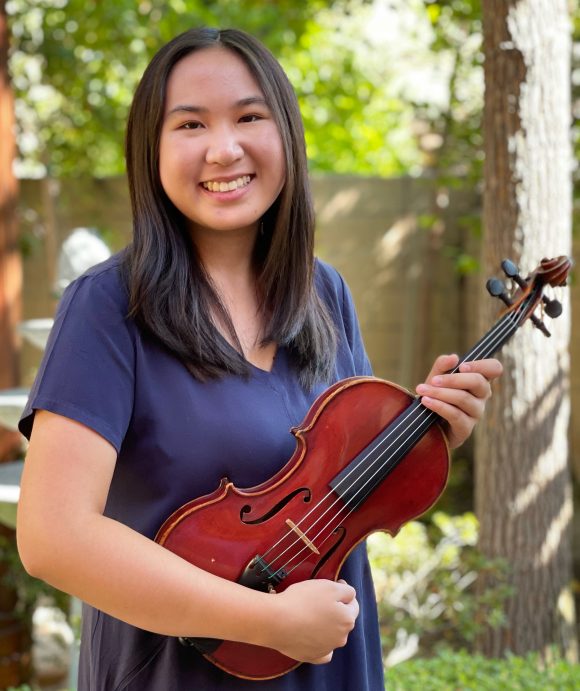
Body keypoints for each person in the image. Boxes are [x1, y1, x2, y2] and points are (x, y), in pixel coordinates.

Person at [16, 27, 502, 691]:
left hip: (328, 666)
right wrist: (267, 622)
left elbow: (340, 500)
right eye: (191, 124)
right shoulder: (107, 305)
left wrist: (431, 430)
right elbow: (53, 538)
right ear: (151, 149)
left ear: (287, 136)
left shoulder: (323, 292)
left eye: (249, 117)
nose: (224, 148)